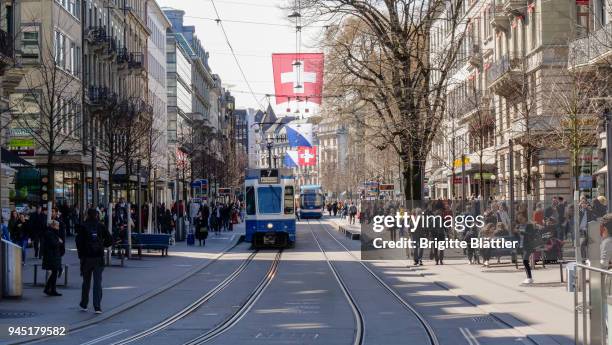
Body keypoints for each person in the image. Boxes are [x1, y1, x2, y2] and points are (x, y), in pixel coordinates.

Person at [76, 209, 113, 314]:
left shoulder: (83, 226)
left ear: (87, 215)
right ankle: (97, 306)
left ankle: (84, 304)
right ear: (97, 215)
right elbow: (110, 240)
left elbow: (78, 242)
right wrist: (102, 246)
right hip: (98, 258)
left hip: (86, 258)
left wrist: (81, 256)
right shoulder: (100, 226)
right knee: (97, 282)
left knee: (86, 282)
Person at [42, 220, 65, 296]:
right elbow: (53, 244)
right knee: (55, 272)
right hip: (52, 256)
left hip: (54, 255)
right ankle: (50, 289)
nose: (58, 227)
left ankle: (50, 289)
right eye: (57, 226)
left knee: (55, 272)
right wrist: (59, 241)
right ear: (53, 226)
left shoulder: (52, 233)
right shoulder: (49, 233)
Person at [516, 211, 536, 284]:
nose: (520, 219)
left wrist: (521, 232)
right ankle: (528, 277)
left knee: (525, 261)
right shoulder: (518, 226)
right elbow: (517, 237)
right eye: (519, 218)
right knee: (525, 262)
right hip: (521, 246)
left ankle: (529, 278)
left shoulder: (529, 226)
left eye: (521, 218)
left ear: (525, 218)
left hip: (528, 246)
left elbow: (531, 235)